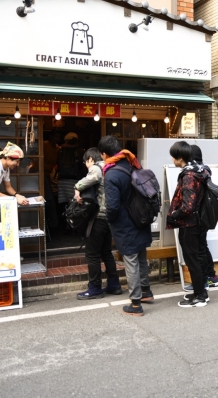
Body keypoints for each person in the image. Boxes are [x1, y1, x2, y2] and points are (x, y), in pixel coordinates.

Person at [99, 135, 153, 317]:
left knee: (130, 260)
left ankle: (136, 303)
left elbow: (112, 206)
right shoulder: (132, 165)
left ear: (105, 154)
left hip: (125, 223)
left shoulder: (112, 174)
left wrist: (109, 219)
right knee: (141, 257)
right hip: (141, 218)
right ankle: (146, 291)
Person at [74, 147, 122, 300]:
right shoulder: (111, 168)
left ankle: (95, 288)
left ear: (90, 159)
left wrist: (77, 188)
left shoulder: (97, 167)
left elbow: (92, 178)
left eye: (85, 163)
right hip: (110, 218)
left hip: (98, 217)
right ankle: (114, 285)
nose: (86, 166)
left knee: (92, 254)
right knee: (106, 252)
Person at [167, 141, 209, 306]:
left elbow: (188, 205)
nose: (172, 160)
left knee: (192, 259)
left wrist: (175, 215)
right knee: (195, 258)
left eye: (173, 157)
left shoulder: (188, 175)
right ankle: (200, 292)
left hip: (189, 224)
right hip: (197, 222)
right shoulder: (198, 171)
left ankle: (200, 295)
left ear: (180, 158)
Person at [187, 144, 218, 290]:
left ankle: (203, 281)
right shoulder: (205, 170)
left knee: (200, 248)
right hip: (205, 213)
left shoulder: (198, 172)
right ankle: (211, 276)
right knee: (202, 246)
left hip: (199, 215)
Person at [57, 132, 86, 219]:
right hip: (75, 180)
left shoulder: (60, 150)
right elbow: (83, 167)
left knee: (64, 203)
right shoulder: (80, 151)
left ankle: (64, 221)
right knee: (74, 203)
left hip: (62, 180)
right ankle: (72, 224)